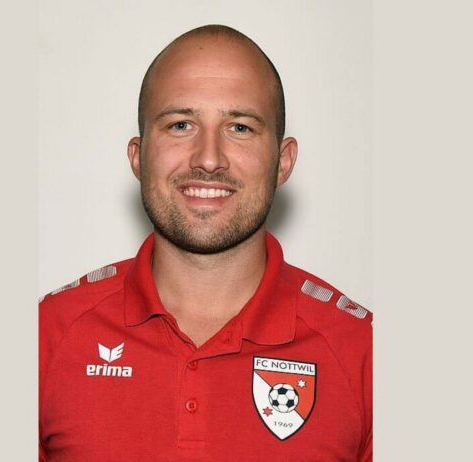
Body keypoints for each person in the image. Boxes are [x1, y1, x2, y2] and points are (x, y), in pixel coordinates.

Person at [39, 24, 372, 462]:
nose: (209, 158)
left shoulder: (362, 352)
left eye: (240, 127)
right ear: (138, 157)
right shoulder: (48, 336)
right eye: (181, 125)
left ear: (283, 162)